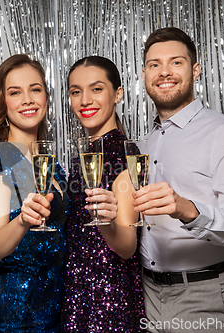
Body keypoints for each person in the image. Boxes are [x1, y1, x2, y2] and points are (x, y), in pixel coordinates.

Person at [135, 27, 224, 332]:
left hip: (208, 296)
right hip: (147, 297)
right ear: (144, 74)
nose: (164, 72)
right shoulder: (141, 146)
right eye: (154, 65)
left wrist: (186, 208)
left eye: (176, 62)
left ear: (196, 70)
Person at [0, 54, 68, 332]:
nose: (28, 99)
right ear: (3, 102)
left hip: (57, 308)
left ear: (46, 95)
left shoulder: (50, 164)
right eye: (15, 92)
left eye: (35, 89)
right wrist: (22, 220)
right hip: (17, 315)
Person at [62, 55, 145, 332]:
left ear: (117, 94)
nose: (85, 100)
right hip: (77, 295)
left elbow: (127, 246)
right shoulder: (84, 157)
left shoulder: (124, 156)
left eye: (96, 89)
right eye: (76, 91)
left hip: (109, 299)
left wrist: (108, 222)